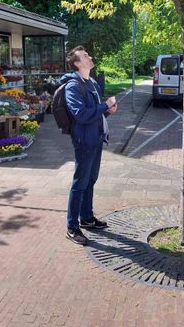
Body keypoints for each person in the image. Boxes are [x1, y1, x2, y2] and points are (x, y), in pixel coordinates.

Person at [63, 46, 117, 245]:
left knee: (91, 179)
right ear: (77, 63)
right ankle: (72, 227)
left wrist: (108, 111)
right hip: (84, 141)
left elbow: (95, 112)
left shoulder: (92, 82)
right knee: (79, 183)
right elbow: (81, 114)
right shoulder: (73, 86)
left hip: (96, 137)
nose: (90, 57)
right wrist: (105, 105)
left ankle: (86, 217)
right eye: (85, 56)